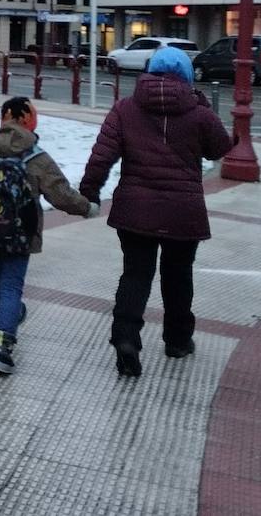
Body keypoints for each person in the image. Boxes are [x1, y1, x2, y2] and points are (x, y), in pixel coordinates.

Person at [80, 46, 233, 378]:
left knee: (135, 275)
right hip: (183, 212)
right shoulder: (198, 112)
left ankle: (126, 339)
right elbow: (222, 149)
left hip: (135, 211)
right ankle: (178, 340)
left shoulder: (125, 109)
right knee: (178, 277)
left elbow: (101, 156)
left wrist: (89, 192)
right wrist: (204, 109)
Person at [0, 96, 99, 375]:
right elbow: (60, 193)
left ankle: (9, 316)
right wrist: (87, 208)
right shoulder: (36, 157)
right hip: (20, 232)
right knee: (11, 286)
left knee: (1, 279)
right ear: (29, 121)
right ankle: (2, 345)